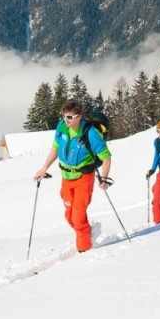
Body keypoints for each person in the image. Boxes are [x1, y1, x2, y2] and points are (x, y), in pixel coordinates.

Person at [33, 100, 113, 252]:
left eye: (70, 117)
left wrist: (104, 178)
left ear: (79, 117)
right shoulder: (62, 127)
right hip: (66, 178)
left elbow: (106, 157)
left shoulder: (91, 133)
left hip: (84, 178)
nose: (66, 120)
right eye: (64, 115)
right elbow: (55, 149)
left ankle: (85, 251)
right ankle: (87, 233)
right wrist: (44, 168)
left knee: (77, 217)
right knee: (69, 216)